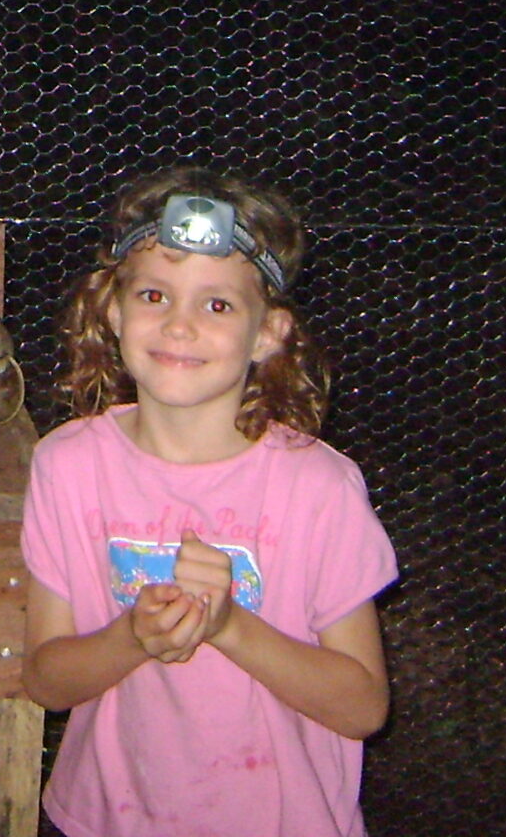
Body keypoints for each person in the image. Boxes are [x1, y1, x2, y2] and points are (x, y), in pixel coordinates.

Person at [20, 167, 396, 837]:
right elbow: (47, 680)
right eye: (154, 295)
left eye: (216, 305)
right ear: (113, 311)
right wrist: (132, 637)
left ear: (268, 333)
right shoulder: (67, 467)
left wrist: (229, 628)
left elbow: (363, 706)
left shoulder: (318, 489)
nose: (179, 325)